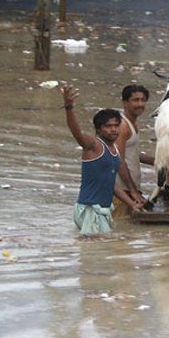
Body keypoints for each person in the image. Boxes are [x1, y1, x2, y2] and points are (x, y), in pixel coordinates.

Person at [60, 83, 128, 235]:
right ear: (98, 129)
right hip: (90, 210)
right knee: (94, 252)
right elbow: (76, 133)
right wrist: (69, 107)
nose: (113, 129)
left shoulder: (114, 149)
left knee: (100, 250)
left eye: (116, 126)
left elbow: (112, 185)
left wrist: (133, 204)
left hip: (102, 210)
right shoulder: (93, 145)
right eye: (108, 126)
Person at [112, 84, 152, 216]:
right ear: (125, 103)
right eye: (135, 100)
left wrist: (158, 161)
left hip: (129, 190)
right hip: (121, 192)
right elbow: (119, 160)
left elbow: (132, 154)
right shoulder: (122, 125)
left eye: (143, 100)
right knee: (118, 229)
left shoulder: (133, 124)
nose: (140, 104)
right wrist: (133, 191)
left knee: (125, 232)